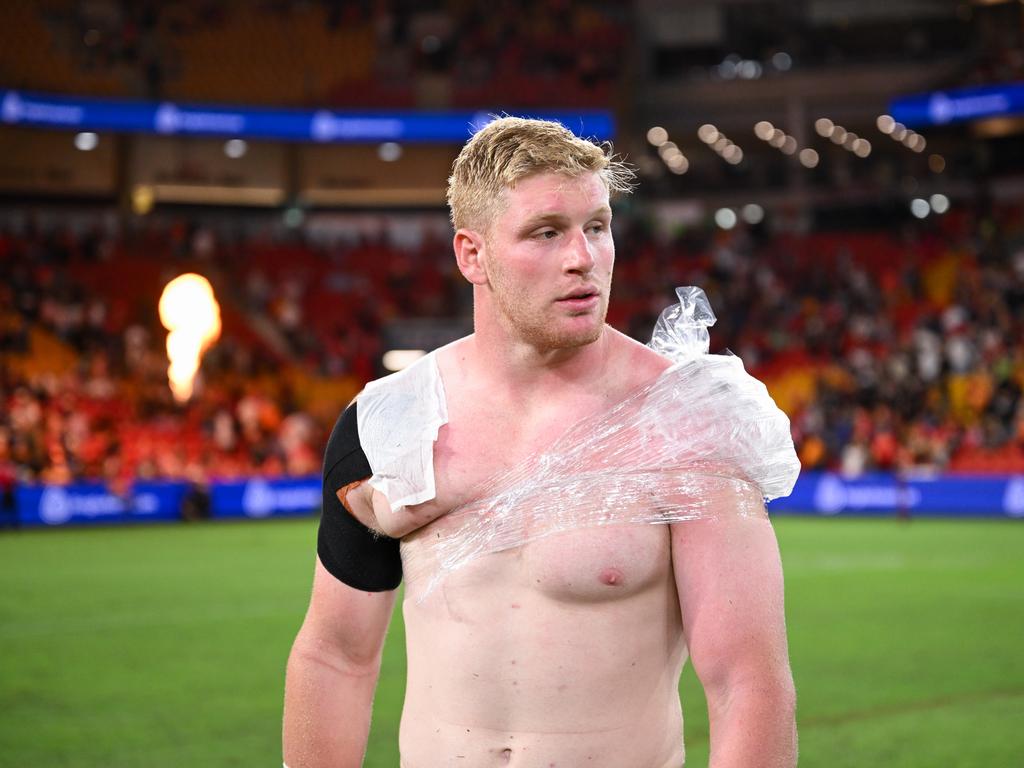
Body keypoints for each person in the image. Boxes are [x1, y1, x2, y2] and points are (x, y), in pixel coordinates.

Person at [283, 117, 798, 768]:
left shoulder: (685, 421)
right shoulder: (387, 422)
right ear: (472, 255)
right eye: (546, 232)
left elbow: (747, 683)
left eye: (598, 227)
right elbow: (335, 656)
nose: (583, 257)